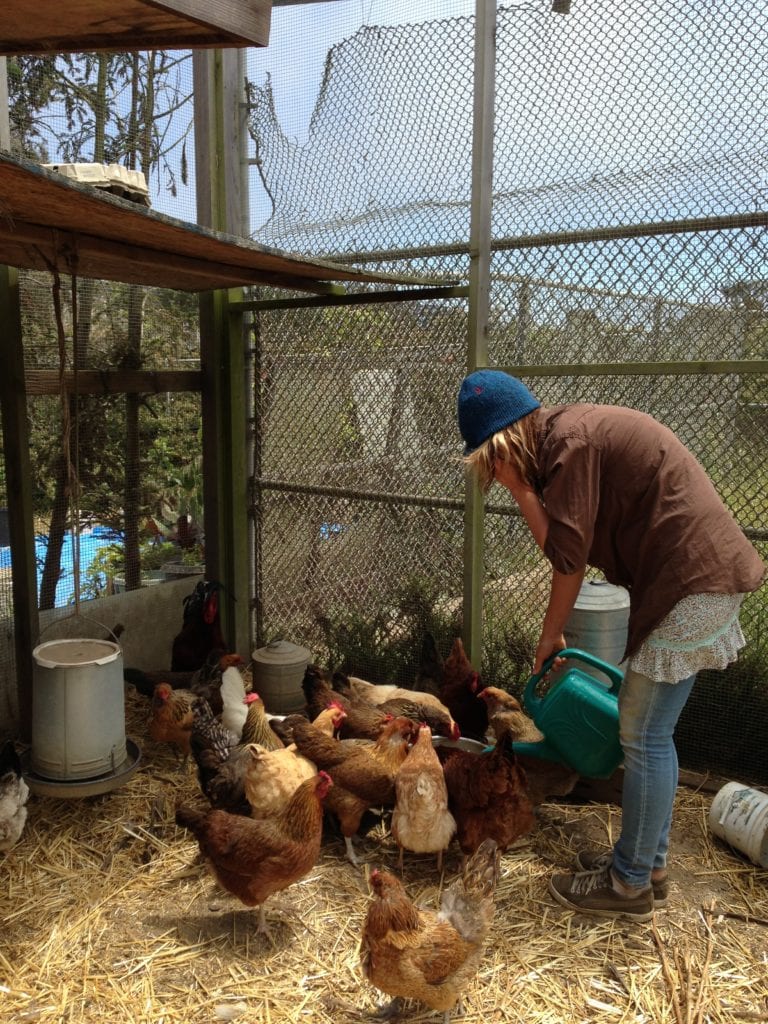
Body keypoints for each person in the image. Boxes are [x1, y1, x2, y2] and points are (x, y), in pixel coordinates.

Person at [457, 368, 765, 920]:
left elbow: (567, 559)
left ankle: (627, 887)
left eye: (494, 468)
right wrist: (526, 487)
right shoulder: (566, 438)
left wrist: (551, 633)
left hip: (691, 582)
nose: (498, 480)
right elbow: (570, 544)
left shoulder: (568, 446)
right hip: (696, 579)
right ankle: (651, 867)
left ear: (502, 444)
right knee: (652, 734)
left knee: (642, 735)